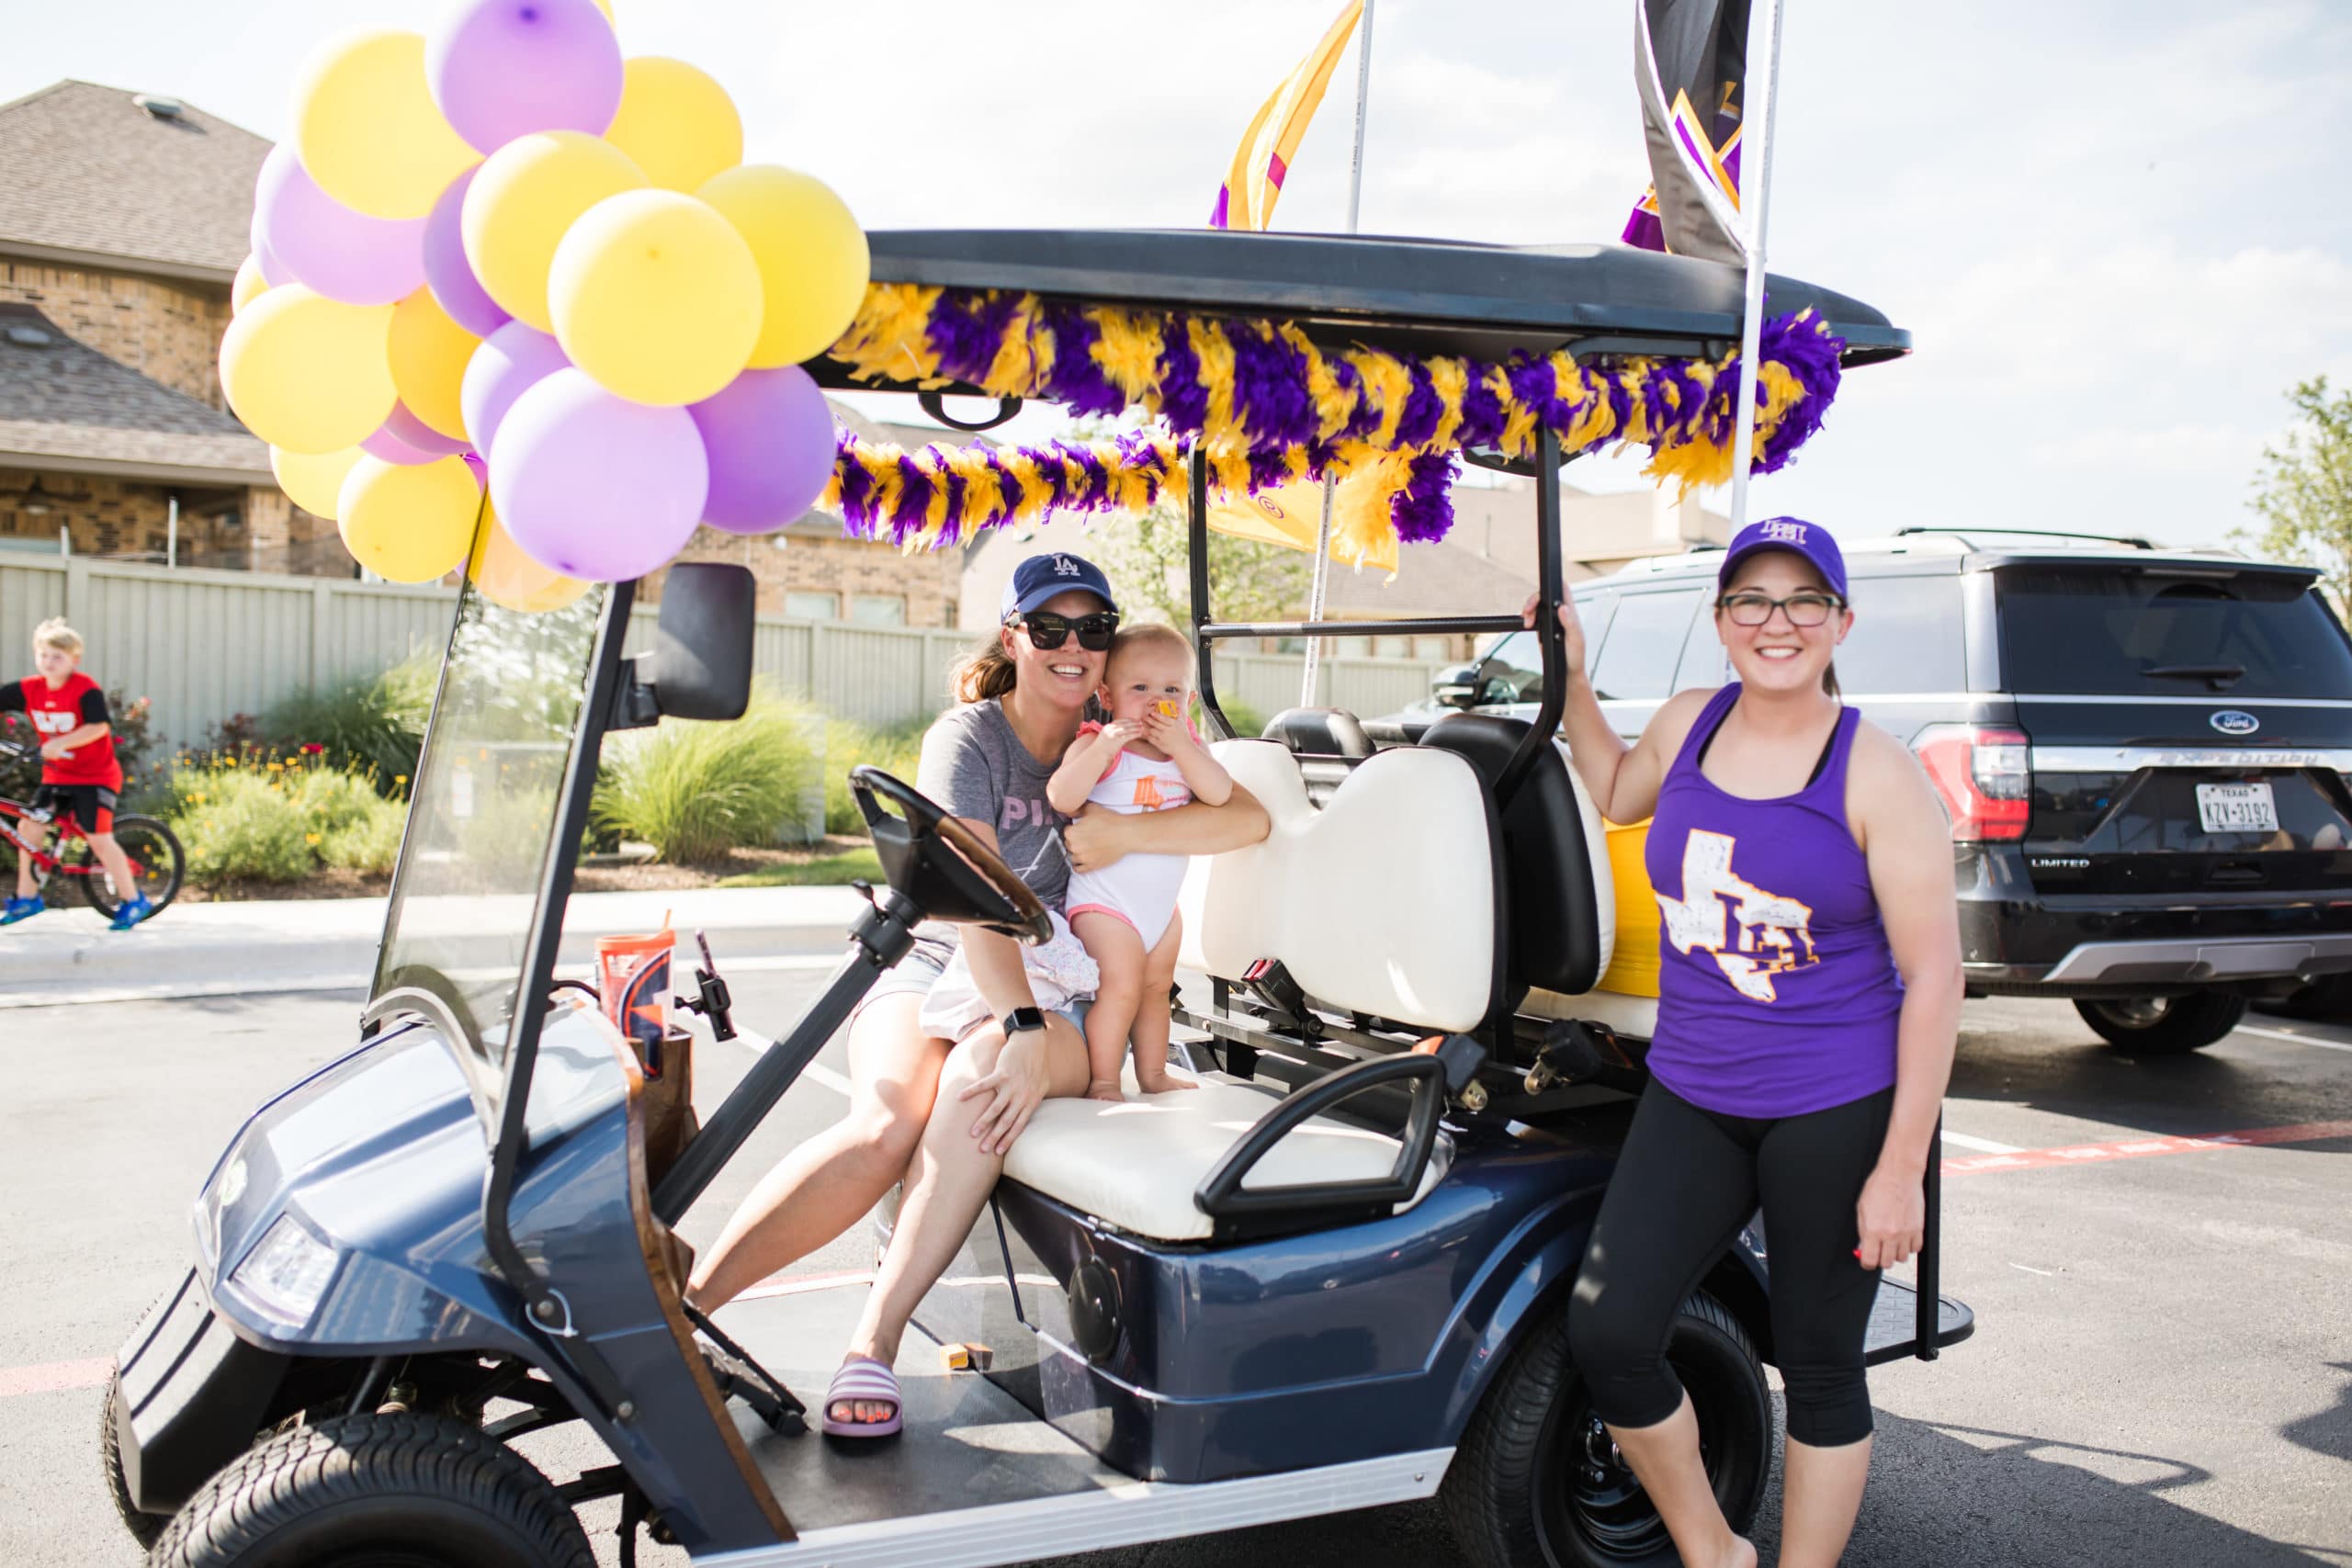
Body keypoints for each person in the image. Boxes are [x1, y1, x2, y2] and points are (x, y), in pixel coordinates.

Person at [684, 552, 1271, 1437]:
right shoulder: (972, 739)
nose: (1073, 647)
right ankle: (683, 1313)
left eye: (1092, 630)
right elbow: (972, 905)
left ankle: (870, 1345)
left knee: (972, 1093)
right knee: (885, 1124)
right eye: (1050, 629)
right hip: (941, 954)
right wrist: (1022, 1021)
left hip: (1068, 975)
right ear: (1014, 637)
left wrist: (1126, 833)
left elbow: (1246, 819)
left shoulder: (1138, 737)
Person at [1530, 518, 1962, 1568]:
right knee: (1613, 1333)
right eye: (1752, 601)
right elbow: (1615, 792)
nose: (1778, 622)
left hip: (1836, 1103)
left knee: (1817, 1365)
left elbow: (1937, 976)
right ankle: (1713, 1551)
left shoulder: (1876, 772)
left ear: (1840, 621)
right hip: (1693, 1091)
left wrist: (1900, 1169)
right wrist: (1573, 682)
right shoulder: (1687, 723)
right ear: (1720, 621)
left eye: (1803, 601)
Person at [1048, 622, 1231, 1103]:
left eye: (1171, 689)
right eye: (1140, 688)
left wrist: (1182, 748)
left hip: (1160, 910)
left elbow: (1219, 793)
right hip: (1106, 905)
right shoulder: (1100, 744)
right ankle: (1104, 1080)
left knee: (1156, 990)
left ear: (1189, 700)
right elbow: (1062, 796)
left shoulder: (1185, 751)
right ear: (1107, 696)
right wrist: (1104, 746)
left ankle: (1154, 1073)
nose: (1156, 701)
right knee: (1122, 990)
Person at [2, 617, 152, 930]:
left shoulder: (85, 690)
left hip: (95, 776)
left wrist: (60, 743)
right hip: (57, 776)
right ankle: (27, 898)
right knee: (29, 826)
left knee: (98, 839)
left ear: (74, 659)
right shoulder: (30, 689)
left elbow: (99, 726)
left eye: (57, 656)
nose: (49, 662)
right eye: (44, 655)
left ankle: (133, 899)